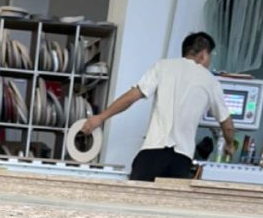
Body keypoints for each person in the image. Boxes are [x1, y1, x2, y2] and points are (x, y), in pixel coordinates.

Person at [81, 32, 236, 181]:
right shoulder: (211, 82)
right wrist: (229, 144)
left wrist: (101, 117)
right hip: (180, 161)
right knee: (168, 200)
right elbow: (227, 124)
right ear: (203, 55)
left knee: (135, 197)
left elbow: (132, 96)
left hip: (152, 154)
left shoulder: (163, 66)